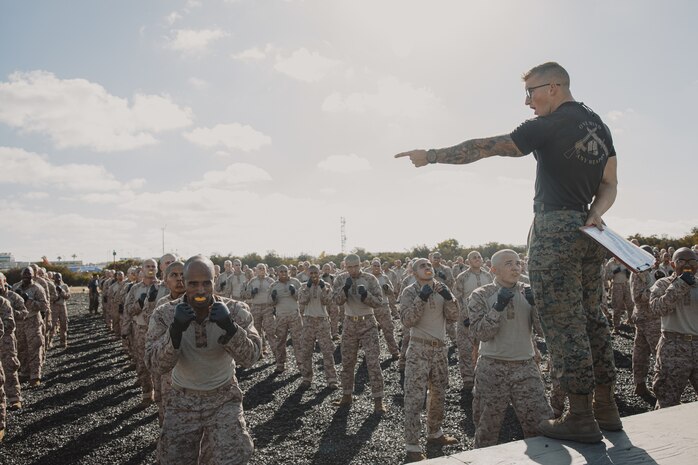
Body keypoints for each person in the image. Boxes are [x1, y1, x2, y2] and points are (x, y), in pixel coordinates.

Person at [396, 61, 621, 442]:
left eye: (531, 93)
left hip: (554, 228)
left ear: (553, 87)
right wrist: (596, 212)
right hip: (589, 230)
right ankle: (606, 407)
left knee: (563, 321)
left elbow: (487, 148)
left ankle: (581, 416)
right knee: (592, 317)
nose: (528, 102)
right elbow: (610, 183)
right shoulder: (597, 123)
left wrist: (432, 155)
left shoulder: (549, 124)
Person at [145, 255, 260, 465]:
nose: (200, 290)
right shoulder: (165, 314)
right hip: (182, 400)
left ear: (214, 281)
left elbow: (251, 357)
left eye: (206, 282)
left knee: (233, 459)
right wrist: (175, 331)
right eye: (193, 283)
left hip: (223, 398)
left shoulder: (235, 310)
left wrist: (231, 328)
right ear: (184, 283)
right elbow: (154, 364)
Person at [468, 249, 553, 447]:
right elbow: (481, 333)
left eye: (517, 262)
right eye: (508, 263)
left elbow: (544, 332)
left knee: (541, 425)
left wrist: (537, 306)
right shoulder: (482, 294)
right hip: (492, 368)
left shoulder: (529, 291)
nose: (515, 267)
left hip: (525, 367)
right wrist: (498, 307)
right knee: (486, 429)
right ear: (494, 269)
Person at [399, 258, 459, 462]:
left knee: (439, 393)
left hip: (440, 349)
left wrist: (449, 297)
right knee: (415, 397)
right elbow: (408, 320)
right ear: (414, 273)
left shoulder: (442, 288)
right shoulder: (409, 291)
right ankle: (412, 445)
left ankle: (435, 433)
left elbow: (454, 317)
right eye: (422, 266)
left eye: (429, 265)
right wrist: (421, 298)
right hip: (419, 348)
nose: (427, 267)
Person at [331, 254, 387, 413]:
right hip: (349, 323)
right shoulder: (340, 279)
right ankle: (346, 395)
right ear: (345, 266)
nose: (353, 269)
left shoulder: (370, 279)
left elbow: (378, 302)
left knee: (373, 362)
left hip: (368, 322)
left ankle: (378, 401)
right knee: (347, 362)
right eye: (349, 267)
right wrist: (345, 289)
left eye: (356, 266)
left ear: (360, 264)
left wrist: (365, 296)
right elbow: (336, 301)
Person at [649, 247, 698, 408]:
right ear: (672, 263)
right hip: (673, 349)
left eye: (692, 261)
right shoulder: (662, 284)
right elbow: (658, 309)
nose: (687, 265)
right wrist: (681, 284)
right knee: (667, 402)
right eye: (681, 261)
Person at [453, 251, 493, 390]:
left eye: (479, 257)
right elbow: (457, 298)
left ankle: (483, 379)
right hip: (466, 318)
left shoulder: (488, 275)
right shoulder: (462, 277)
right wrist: (465, 316)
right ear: (468, 261)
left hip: (485, 318)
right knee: (466, 348)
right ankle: (468, 380)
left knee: (485, 348)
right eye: (474, 257)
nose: (477, 259)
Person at [297, 265, 338, 389]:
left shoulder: (326, 286)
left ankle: (332, 379)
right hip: (308, 320)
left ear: (319, 273)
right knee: (306, 350)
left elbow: (327, 301)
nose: (314, 275)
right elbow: (302, 301)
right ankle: (307, 378)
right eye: (311, 273)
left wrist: (322, 287)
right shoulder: (303, 286)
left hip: (322, 321)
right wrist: (308, 287)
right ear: (308, 274)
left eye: (316, 273)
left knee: (327, 351)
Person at [629, 245, 661, 400]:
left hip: (647, 317)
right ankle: (662, 390)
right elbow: (637, 297)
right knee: (658, 353)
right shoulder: (639, 272)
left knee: (641, 352)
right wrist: (658, 287)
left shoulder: (647, 271)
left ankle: (640, 385)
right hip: (648, 318)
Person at [12, 267, 48, 387]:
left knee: (34, 348)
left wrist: (29, 300)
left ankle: (35, 376)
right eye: (25, 274)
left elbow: (44, 306)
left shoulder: (38, 288)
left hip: (33, 321)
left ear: (33, 275)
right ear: (21, 276)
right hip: (20, 322)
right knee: (21, 348)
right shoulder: (16, 287)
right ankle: (24, 372)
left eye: (29, 274)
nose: (27, 276)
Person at [269, 265, 303, 374]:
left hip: (294, 315)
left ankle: (301, 364)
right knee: (280, 341)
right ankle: (280, 364)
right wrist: (273, 298)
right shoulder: (273, 285)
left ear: (288, 271)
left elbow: (302, 298)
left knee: (298, 341)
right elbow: (270, 303)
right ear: (277, 273)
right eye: (281, 271)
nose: (283, 273)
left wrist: (294, 292)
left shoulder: (296, 282)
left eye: (285, 271)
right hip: (280, 316)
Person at [51, 272, 71, 348]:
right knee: (52, 325)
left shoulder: (64, 286)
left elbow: (68, 296)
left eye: (59, 277)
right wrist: (55, 297)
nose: (58, 279)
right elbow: (48, 297)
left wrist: (61, 291)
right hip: (54, 306)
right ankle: (49, 341)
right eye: (56, 277)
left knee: (64, 324)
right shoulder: (51, 286)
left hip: (62, 306)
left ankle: (63, 342)